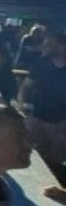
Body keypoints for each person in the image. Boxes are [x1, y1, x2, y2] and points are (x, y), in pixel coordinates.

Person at [19, 30, 66, 194]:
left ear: (61, 45)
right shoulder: (40, 64)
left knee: (53, 164)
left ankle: (53, 196)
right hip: (36, 120)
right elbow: (26, 87)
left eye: (48, 42)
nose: (44, 46)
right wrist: (24, 108)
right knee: (32, 159)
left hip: (60, 126)